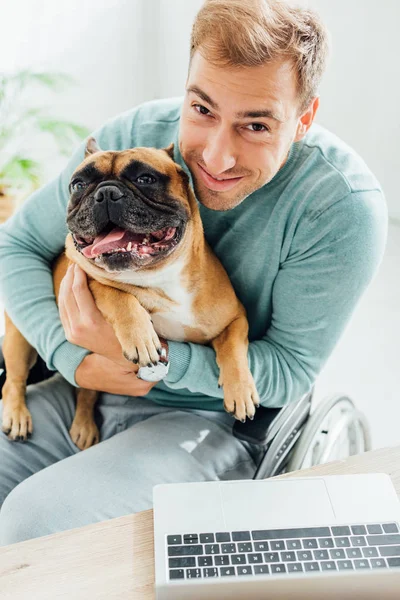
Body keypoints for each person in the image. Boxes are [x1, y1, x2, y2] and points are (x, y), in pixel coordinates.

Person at [0, 0, 387, 546]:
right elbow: (15, 245)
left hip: (207, 417)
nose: (216, 156)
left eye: (256, 124)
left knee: (32, 524)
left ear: (303, 120)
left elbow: (289, 370)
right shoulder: (135, 138)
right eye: (202, 109)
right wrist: (75, 360)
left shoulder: (340, 209)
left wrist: (155, 362)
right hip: (85, 388)